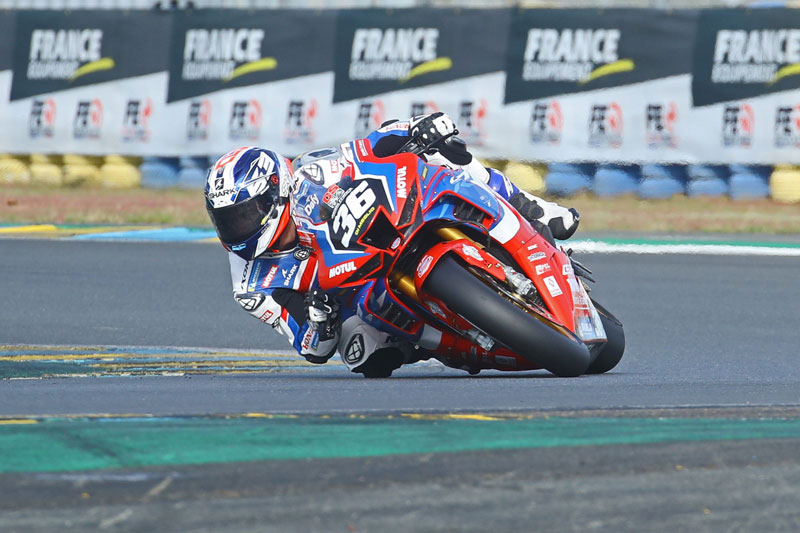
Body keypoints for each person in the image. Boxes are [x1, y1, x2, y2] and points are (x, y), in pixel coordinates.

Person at [204, 113, 580, 377]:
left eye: (245, 214)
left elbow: (372, 146)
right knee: (364, 356)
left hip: (390, 225)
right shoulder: (251, 285)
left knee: (443, 155)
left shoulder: (310, 171)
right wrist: (320, 319)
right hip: (357, 293)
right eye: (229, 220)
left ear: (276, 192)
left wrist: (417, 128)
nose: (239, 227)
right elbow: (310, 346)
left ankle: (533, 210)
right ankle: (440, 343)